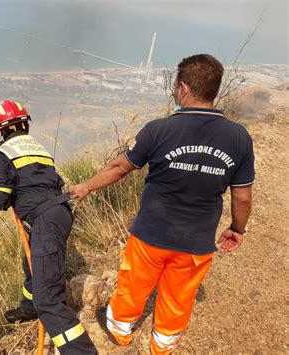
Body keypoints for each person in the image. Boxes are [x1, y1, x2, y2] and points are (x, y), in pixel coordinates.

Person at [70, 54, 254, 354]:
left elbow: (119, 167)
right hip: (197, 242)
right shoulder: (239, 138)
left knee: (134, 285)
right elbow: (243, 196)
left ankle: (119, 330)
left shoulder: (159, 130)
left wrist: (85, 187)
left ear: (182, 87)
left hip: (151, 235)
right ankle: (163, 344)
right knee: (179, 298)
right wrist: (237, 228)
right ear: (214, 90)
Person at [0, 100, 97, 354]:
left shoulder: (1, 153)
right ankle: (28, 307)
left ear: (2, 130)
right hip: (58, 212)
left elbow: (0, 199)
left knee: (49, 300)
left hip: (44, 219)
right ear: (25, 124)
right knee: (33, 264)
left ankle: (81, 351)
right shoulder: (37, 148)